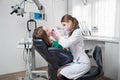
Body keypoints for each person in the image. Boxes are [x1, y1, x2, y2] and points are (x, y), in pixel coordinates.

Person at [51, 14, 91, 80]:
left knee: (60, 75)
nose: (64, 27)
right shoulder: (71, 33)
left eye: (64, 25)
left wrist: (59, 35)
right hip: (76, 61)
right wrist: (56, 37)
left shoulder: (77, 32)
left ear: (69, 22)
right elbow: (66, 41)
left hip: (83, 63)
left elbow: (66, 44)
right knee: (59, 70)